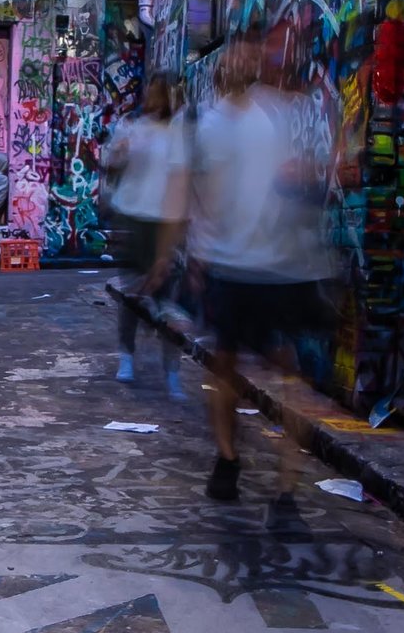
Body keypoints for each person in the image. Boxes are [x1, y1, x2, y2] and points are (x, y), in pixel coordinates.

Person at [186, 30, 331, 510]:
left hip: (281, 268)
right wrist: (200, 251)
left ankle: (286, 486)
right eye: (235, 57)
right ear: (223, 68)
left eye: (250, 56)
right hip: (233, 265)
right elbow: (203, 193)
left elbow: (309, 170)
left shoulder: (279, 112)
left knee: (288, 376)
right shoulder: (210, 124)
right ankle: (228, 460)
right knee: (228, 369)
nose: (243, 64)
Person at [99, 73, 189, 391]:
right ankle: (127, 355)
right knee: (132, 295)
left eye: (159, 95)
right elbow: (110, 170)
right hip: (132, 218)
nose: (153, 101)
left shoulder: (180, 135)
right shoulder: (132, 128)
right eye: (150, 94)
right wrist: (117, 155)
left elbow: (184, 181)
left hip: (164, 221)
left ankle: (172, 371)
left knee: (170, 299)